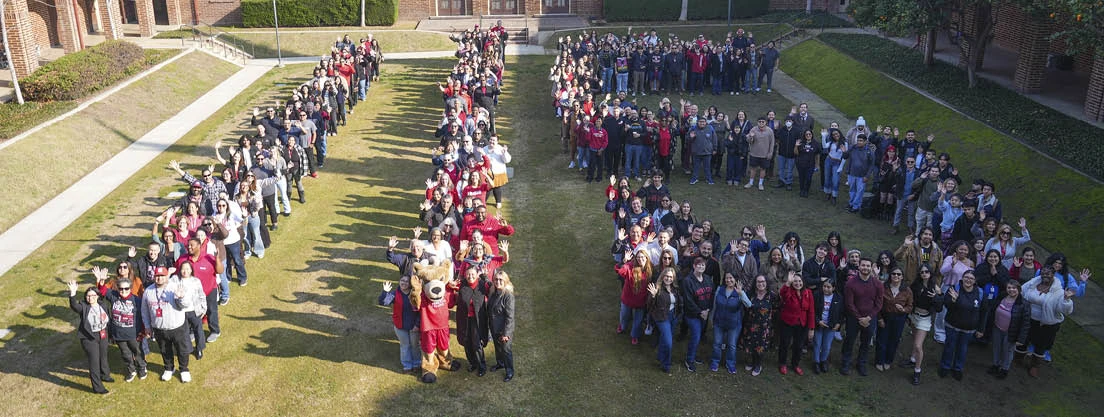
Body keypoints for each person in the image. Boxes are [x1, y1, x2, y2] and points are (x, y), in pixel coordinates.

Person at [141, 266, 194, 383]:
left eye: (162, 276)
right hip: (159, 328)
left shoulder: (174, 288)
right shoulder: (148, 291)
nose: (159, 279)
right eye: (157, 276)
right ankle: (169, 368)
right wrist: (147, 326)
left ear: (167, 277)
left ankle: (184, 369)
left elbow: (184, 305)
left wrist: (181, 297)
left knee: (182, 350)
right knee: (165, 349)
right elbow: (144, 311)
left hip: (177, 326)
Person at [1021, 267, 1075, 377]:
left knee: (1041, 345)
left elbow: (1065, 310)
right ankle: (1018, 359)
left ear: (1053, 274)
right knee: (1023, 339)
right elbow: (1021, 291)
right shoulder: (1032, 283)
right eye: (1043, 273)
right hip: (1028, 319)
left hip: (1046, 324)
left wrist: (1066, 300)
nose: (1045, 275)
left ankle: (1035, 366)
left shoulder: (1059, 292)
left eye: (1048, 273)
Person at [93, 271, 147, 382]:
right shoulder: (114, 296)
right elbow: (102, 291)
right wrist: (101, 281)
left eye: (126, 289)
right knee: (125, 354)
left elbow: (143, 317)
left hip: (134, 334)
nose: (123, 291)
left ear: (130, 288)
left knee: (137, 352)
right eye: (121, 289)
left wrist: (142, 332)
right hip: (119, 334)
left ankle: (142, 368)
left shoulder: (137, 300)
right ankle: (131, 370)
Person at [67, 280, 113, 394]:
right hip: (89, 338)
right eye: (88, 295)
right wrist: (72, 293)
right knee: (94, 362)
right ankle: (98, 387)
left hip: (102, 334)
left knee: (103, 356)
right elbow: (74, 306)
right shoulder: (84, 307)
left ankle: (105, 375)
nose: (90, 297)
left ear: (97, 296)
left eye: (93, 295)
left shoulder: (102, 305)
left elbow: (108, 319)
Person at [840, 257, 883, 376]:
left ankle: (861, 363)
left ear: (871, 267)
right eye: (863, 265)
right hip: (854, 318)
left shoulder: (877, 284)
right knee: (850, 340)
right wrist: (859, 318)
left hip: (870, 318)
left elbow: (879, 304)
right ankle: (845, 362)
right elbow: (849, 303)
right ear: (859, 266)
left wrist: (868, 318)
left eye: (868, 266)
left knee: (866, 342)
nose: (865, 268)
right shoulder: (851, 283)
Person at [937, 270, 982, 381]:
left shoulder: (979, 292)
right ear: (962, 278)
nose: (968, 280)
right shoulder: (954, 288)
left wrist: (981, 328)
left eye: (971, 278)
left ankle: (957, 368)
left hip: (969, 328)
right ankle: (945, 366)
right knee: (949, 347)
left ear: (975, 281)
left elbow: (984, 311)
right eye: (966, 277)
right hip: (953, 325)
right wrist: (953, 300)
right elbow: (946, 304)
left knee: (962, 349)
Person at [710, 272, 751, 373]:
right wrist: (712, 318)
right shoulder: (720, 289)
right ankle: (715, 362)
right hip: (719, 322)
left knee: (732, 345)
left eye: (731, 278)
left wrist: (741, 293)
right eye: (727, 278)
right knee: (717, 343)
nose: (729, 280)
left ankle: (731, 364)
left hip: (734, 324)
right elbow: (714, 305)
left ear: (735, 279)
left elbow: (748, 305)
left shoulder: (739, 291)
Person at [988, 281, 1029, 379]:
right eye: (1009, 288)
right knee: (996, 348)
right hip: (997, 328)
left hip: (1011, 332)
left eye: (1014, 288)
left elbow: (1025, 323)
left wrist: (1021, 339)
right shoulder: (1002, 297)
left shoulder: (1024, 304)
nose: (1011, 290)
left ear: (1019, 289)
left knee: (1007, 351)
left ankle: (1004, 369)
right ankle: (995, 365)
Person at [454, 267, 490, 377]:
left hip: (477, 319)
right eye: (468, 274)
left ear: (477, 275)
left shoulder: (482, 285)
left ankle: (481, 365)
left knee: (476, 343)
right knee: (467, 341)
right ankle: (472, 363)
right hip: (465, 319)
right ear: (465, 275)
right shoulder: (462, 285)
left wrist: (486, 277)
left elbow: (492, 290)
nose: (470, 277)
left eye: (473, 274)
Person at [379, 276, 420, 373]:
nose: (404, 283)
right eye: (402, 280)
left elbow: (420, 311)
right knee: (405, 346)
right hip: (400, 326)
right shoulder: (394, 294)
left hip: (414, 326)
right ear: (399, 282)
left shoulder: (415, 294)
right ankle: (407, 365)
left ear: (410, 284)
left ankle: (417, 363)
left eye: (407, 281)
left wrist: (417, 325)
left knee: (415, 345)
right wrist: (385, 292)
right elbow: (383, 302)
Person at [875, 267, 913, 372]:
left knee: (894, 340)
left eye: (899, 274)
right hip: (885, 317)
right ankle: (879, 360)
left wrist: (904, 309)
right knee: (881, 340)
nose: (896, 276)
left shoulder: (907, 290)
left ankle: (888, 360)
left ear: (902, 277)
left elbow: (910, 306)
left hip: (899, 318)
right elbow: (877, 304)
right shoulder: (883, 287)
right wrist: (879, 319)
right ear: (890, 276)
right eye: (894, 274)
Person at [681, 257, 714, 372]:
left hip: (705, 314)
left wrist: (708, 310)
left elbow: (712, 295)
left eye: (703, 265)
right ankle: (689, 360)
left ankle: (694, 355)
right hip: (692, 315)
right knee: (695, 336)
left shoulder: (708, 279)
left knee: (699, 336)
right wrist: (700, 312)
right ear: (694, 266)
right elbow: (688, 300)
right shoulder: (687, 281)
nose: (701, 267)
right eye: (698, 265)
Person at [777, 271, 815, 376]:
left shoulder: (808, 293)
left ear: (803, 282)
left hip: (802, 324)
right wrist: (788, 282)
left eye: (800, 281)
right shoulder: (788, 291)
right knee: (785, 344)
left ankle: (795, 364)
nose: (798, 283)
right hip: (788, 322)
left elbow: (811, 311)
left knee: (798, 346)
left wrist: (811, 328)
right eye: (795, 281)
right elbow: (782, 294)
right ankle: (782, 363)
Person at [741, 274, 778, 376]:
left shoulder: (771, 295)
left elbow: (776, 308)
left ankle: (758, 364)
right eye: (758, 282)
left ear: (766, 283)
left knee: (760, 346)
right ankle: (751, 361)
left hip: (764, 326)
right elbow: (746, 306)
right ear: (755, 283)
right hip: (751, 324)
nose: (760, 284)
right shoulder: (750, 294)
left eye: (763, 282)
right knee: (750, 344)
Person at [647, 267, 681, 374]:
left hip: (673, 316)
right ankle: (666, 364)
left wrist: (678, 315)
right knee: (668, 342)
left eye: (671, 277)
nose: (669, 279)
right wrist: (653, 296)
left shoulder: (675, 288)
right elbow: (649, 305)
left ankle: (661, 357)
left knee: (664, 339)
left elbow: (677, 303)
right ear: (662, 276)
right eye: (667, 276)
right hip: (662, 318)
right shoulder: (657, 288)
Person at [615, 249, 652, 345]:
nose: (640, 259)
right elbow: (621, 271)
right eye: (638, 257)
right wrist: (624, 261)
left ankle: (634, 335)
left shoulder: (650, 269)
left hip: (641, 301)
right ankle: (622, 327)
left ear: (646, 258)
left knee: (638, 320)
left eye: (643, 257)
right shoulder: (630, 266)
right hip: (628, 299)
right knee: (624, 316)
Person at [488, 270, 516, 382]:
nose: (498, 282)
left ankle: (509, 371)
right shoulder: (493, 292)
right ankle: (500, 364)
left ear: (505, 281)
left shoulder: (508, 296)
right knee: (497, 348)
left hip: (504, 329)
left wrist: (506, 334)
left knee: (506, 350)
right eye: (496, 279)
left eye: (501, 280)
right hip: (494, 327)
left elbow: (510, 317)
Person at [812, 279, 843, 374]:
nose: (826, 289)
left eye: (828, 287)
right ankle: (816, 362)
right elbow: (812, 310)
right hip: (819, 324)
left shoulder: (839, 298)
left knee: (827, 345)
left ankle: (823, 360)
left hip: (831, 326)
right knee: (817, 343)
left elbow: (842, 312)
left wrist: (838, 323)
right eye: (824, 286)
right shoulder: (817, 295)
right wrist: (818, 321)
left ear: (833, 288)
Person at [745, 118, 775, 190]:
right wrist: (751, 136)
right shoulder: (753, 129)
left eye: (763, 121)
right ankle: (750, 182)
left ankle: (760, 184)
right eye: (759, 122)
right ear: (757, 122)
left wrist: (770, 153)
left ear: (765, 123)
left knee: (763, 169)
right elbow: (748, 141)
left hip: (765, 154)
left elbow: (772, 143)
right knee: (753, 168)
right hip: (754, 153)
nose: (761, 123)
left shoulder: (770, 131)